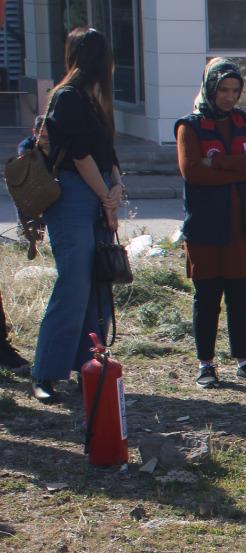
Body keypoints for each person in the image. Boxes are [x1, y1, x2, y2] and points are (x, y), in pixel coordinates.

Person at [28, 27, 121, 404]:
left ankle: (88, 367)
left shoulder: (92, 98)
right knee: (73, 285)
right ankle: (45, 373)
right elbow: (80, 156)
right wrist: (107, 197)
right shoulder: (66, 97)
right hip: (72, 197)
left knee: (97, 283)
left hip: (97, 194)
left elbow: (106, 152)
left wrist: (115, 190)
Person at [176, 58, 246, 389]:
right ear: (210, 88)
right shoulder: (190, 126)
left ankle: (244, 361)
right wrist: (238, 169)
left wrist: (219, 162)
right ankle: (206, 364)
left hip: (243, 228)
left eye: (235, 90)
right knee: (207, 297)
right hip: (205, 228)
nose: (229, 97)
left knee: (240, 296)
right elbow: (192, 171)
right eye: (223, 90)